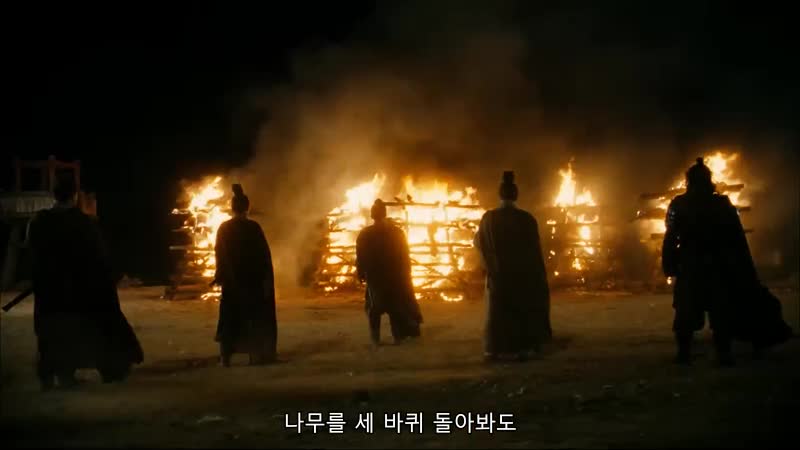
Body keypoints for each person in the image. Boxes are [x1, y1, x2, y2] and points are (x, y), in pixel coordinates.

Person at [663, 158, 793, 366]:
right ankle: (717, 354)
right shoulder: (719, 204)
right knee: (713, 312)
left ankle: (691, 355)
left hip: (697, 265)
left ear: (689, 181)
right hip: (712, 265)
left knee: (698, 312)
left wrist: (669, 264)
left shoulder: (680, 205)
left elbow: (671, 237)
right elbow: (736, 238)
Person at [28, 174, 144, 390]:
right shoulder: (82, 223)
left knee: (51, 332)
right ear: (74, 196)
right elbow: (98, 257)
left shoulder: (39, 221)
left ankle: (52, 376)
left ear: (54, 195)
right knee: (74, 329)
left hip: (49, 289)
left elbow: (33, 253)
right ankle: (68, 375)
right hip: (75, 289)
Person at [474, 171, 552, 362]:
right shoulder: (526, 219)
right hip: (521, 276)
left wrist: (489, 265)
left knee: (498, 314)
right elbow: (534, 249)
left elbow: (479, 243)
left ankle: (495, 350)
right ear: (516, 195)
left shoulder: (489, 219)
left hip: (498, 276)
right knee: (520, 312)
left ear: (500, 195)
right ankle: (521, 348)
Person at [214, 184, 277, 366]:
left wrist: (221, 275)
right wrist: (266, 280)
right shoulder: (253, 227)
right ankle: (254, 356)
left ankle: (225, 358)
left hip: (232, 282)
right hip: (252, 282)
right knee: (253, 318)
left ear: (232, 208)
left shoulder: (224, 228)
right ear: (247, 208)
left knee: (229, 317)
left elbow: (220, 254)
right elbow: (263, 256)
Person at [356, 199, 423, 345]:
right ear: (385, 214)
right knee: (395, 306)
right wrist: (406, 273)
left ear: (372, 215)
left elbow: (360, 256)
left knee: (375, 308)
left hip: (375, 277)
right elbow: (404, 255)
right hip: (394, 276)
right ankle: (397, 337)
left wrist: (361, 272)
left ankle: (376, 339)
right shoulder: (397, 232)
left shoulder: (365, 233)